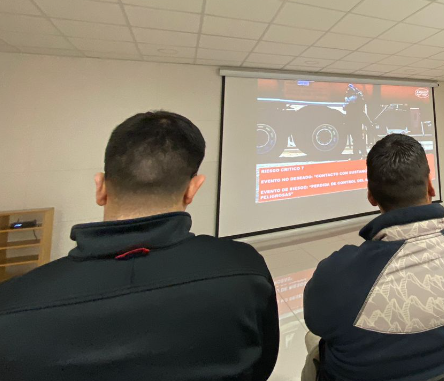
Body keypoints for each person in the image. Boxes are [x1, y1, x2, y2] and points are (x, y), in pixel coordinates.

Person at [0, 111, 279, 381]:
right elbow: (261, 365)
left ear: (100, 187)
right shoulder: (245, 270)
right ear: (193, 189)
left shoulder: (12, 305)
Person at [302, 134, 444, 381]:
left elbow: (316, 322)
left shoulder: (337, 276)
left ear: (371, 196)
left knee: (311, 341)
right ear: (430, 187)